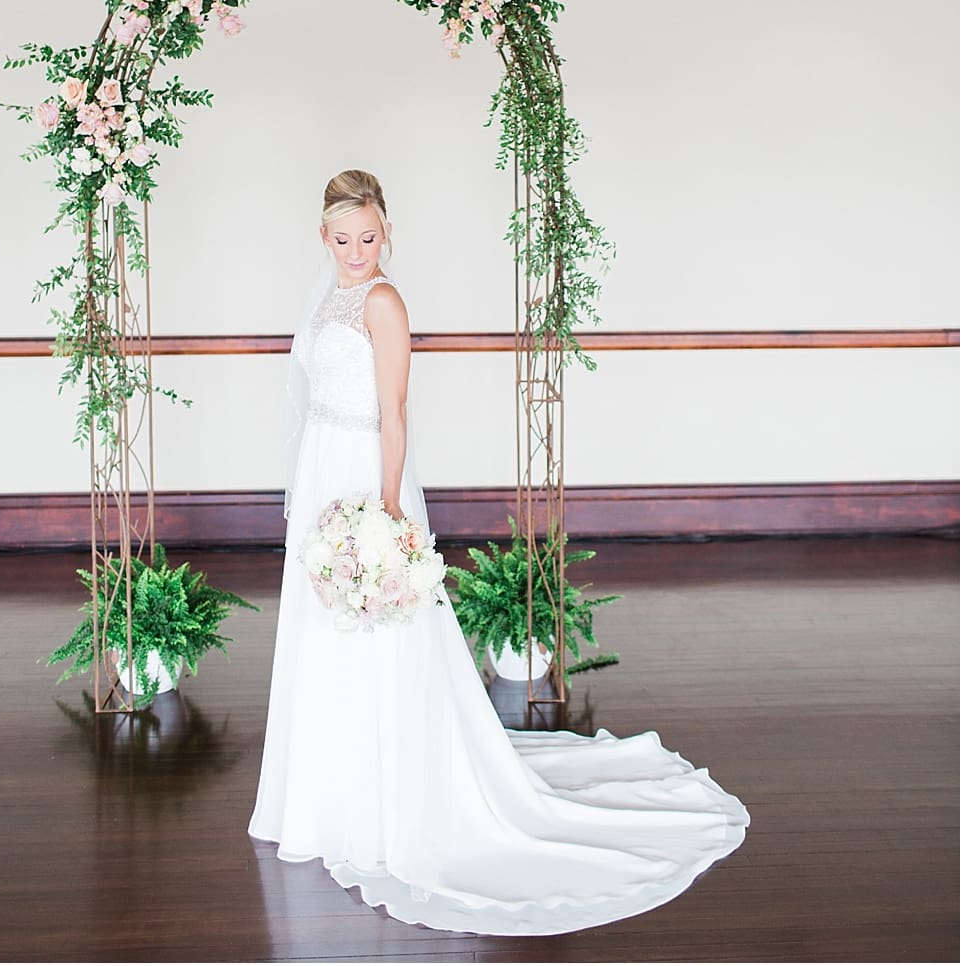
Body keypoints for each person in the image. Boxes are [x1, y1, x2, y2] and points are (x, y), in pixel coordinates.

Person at [248, 169, 749, 936]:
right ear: (323, 238)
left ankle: (385, 798)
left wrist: (386, 510)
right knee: (323, 623)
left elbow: (394, 410)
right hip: (321, 467)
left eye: (369, 238)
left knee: (379, 627)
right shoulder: (324, 300)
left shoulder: (383, 301)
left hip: (363, 471)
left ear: (387, 234)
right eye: (342, 239)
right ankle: (320, 792)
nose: (355, 252)